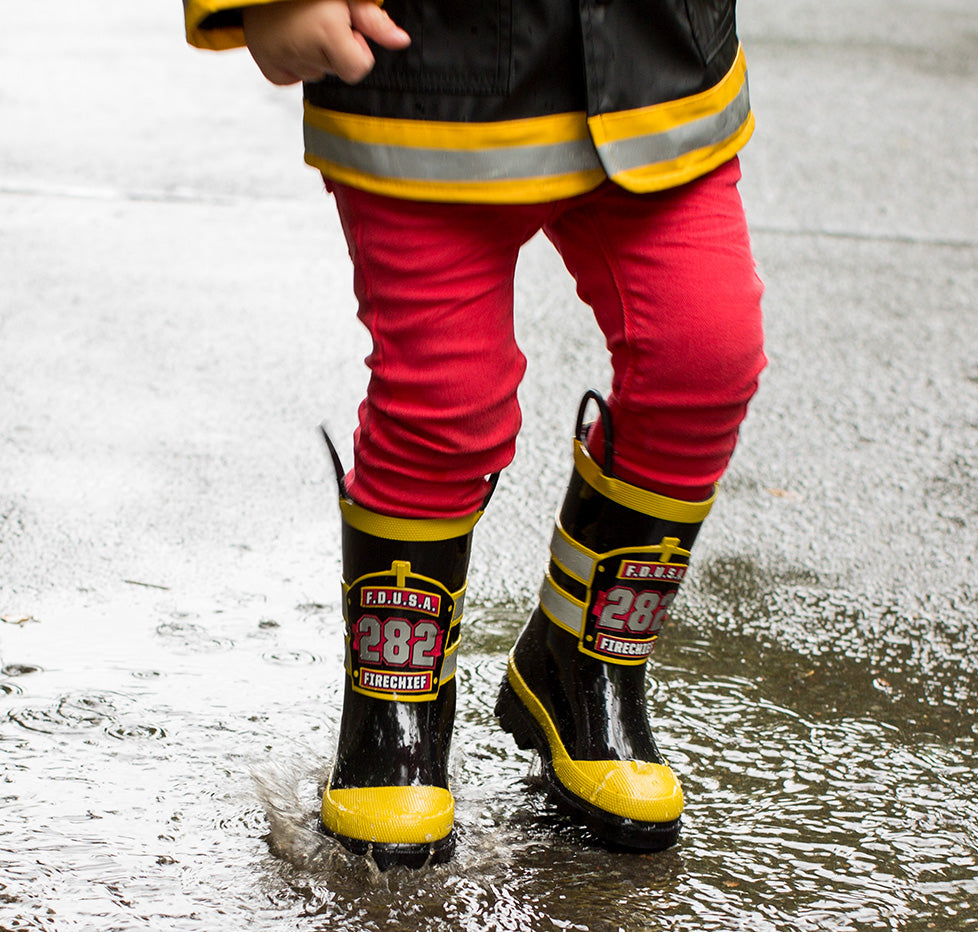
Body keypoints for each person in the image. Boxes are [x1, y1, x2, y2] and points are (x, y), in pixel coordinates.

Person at [184, 0, 766, 868]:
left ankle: (586, 670)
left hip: (657, 68)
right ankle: (397, 705)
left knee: (705, 356)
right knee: (445, 404)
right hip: (425, 74)